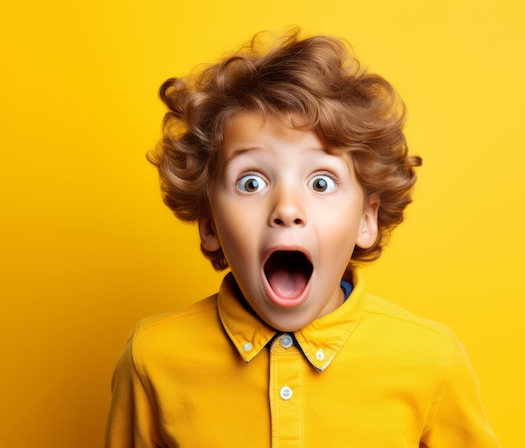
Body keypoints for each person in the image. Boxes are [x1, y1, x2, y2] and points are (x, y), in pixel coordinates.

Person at [106, 29, 499, 447]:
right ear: (209, 225)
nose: (287, 209)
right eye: (252, 183)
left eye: (322, 182)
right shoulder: (153, 358)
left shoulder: (430, 360)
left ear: (367, 219)